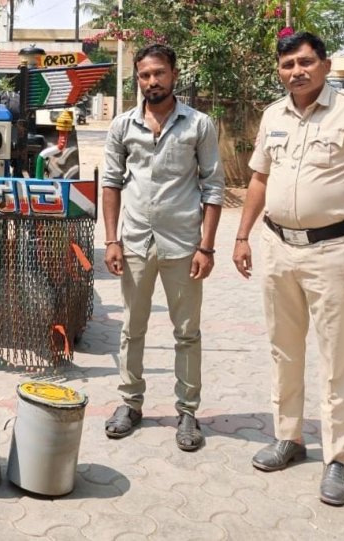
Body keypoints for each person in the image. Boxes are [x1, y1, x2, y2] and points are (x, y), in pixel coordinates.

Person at [232, 32, 344, 506]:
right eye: (287, 65)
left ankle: (339, 458)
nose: (296, 72)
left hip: (332, 252)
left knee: (335, 357)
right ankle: (290, 438)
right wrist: (242, 236)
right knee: (284, 349)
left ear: (324, 64)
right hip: (278, 247)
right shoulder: (272, 115)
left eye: (305, 62)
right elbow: (259, 178)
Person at [102, 44, 225, 451]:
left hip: (184, 245)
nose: (151, 82)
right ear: (136, 78)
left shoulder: (198, 125)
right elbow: (112, 183)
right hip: (135, 241)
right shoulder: (123, 126)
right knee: (131, 329)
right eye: (143, 75)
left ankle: (188, 412)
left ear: (173, 73)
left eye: (158, 73)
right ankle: (130, 404)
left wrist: (206, 247)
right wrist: (112, 240)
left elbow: (213, 186)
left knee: (187, 332)